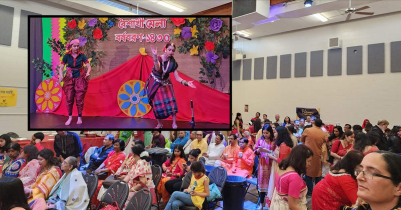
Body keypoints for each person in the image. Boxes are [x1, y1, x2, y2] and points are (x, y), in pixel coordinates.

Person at [145, 43, 196, 129]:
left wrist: (187, 83)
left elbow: (177, 78)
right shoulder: (159, 58)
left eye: (173, 50)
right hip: (155, 83)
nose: (171, 52)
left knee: (172, 104)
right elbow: (157, 69)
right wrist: (154, 56)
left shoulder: (172, 62)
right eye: (169, 50)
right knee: (156, 105)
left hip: (166, 83)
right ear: (165, 49)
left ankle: (174, 123)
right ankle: (159, 124)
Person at [58, 38, 91, 125]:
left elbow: (88, 66)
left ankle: (79, 117)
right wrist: (61, 76)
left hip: (80, 78)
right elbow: (61, 68)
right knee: (69, 98)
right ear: (71, 47)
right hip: (69, 78)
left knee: (80, 98)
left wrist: (87, 73)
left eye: (77, 46)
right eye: (74, 46)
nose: (76, 48)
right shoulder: (67, 56)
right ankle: (70, 117)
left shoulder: (82, 55)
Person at [269, 144, 313, 210]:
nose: (310, 164)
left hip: (278, 205)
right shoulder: (294, 177)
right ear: (301, 160)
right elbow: (292, 206)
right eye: (308, 161)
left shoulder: (282, 166)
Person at [266, 126, 294, 205]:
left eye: (275, 132)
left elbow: (282, 161)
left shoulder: (283, 145)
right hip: (276, 166)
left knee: (277, 186)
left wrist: (272, 157)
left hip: (280, 168)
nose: (274, 134)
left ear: (280, 133)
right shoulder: (282, 144)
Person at [301, 118, 326, 196]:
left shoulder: (308, 130)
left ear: (314, 123)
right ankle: (317, 191)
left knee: (308, 172)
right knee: (318, 173)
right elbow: (324, 143)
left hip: (308, 154)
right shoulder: (323, 133)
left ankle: (310, 192)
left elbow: (302, 140)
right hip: (318, 155)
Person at [254, 125, 275, 209]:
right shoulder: (260, 140)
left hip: (271, 165)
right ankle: (261, 203)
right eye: (264, 133)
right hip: (262, 165)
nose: (265, 134)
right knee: (262, 184)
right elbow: (255, 151)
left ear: (271, 132)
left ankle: (270, 203)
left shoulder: (274, 141)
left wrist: (268, 151)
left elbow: (276, 152)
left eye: (267, 133)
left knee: (271, 183)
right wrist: (258, 151)